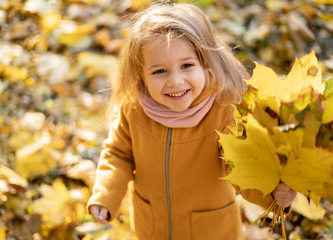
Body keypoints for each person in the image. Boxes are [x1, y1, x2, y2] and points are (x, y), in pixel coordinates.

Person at [87, 2, 297, 239]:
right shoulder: (134, 108)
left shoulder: (224, 111)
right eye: (159, 71)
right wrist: (106, 195)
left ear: (206, 63)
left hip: (211, 231)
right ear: (140, 73)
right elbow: (118, 154)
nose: (175, 81)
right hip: (151, 227)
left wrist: (273, 194)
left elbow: (242, 168)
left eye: (187, 65)